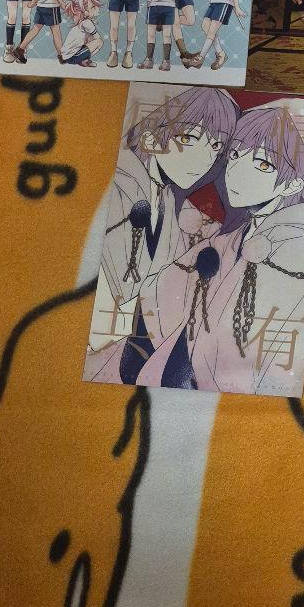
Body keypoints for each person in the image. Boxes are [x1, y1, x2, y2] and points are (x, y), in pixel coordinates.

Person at [135, 103, 304, 395]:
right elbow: (160, 289)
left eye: (262, 165)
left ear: (292, 185)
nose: (237, 172)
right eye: (235, 155)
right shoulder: (236, 235)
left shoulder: (297, 250)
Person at [84, 87, 238, 385]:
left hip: (114, 350)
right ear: (151, 138)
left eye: (215, 145)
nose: (204, 158)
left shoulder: (164, 196)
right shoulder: (117, 185)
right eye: (188, 139)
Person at [60, 0, 103, 67]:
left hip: (67, 56)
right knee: (100, 42)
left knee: (90, 38)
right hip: (72, 57)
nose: (97, 9)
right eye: (93, 7)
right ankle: (84, 60)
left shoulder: (81, 23)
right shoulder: (87, 23)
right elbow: (97, 37)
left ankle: (83, 60)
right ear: (85, 12)